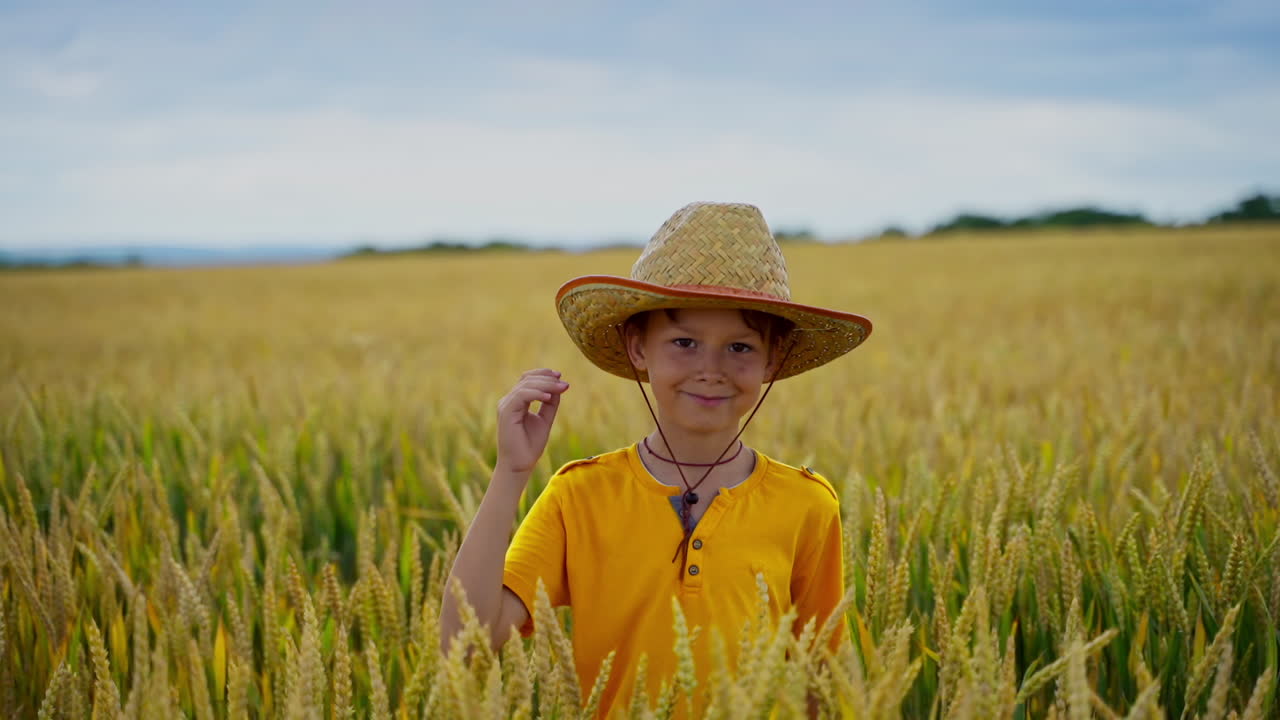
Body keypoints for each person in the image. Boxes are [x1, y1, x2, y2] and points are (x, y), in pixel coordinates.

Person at [439, 201, 873, 718]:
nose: (710, 370)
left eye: (740, 348)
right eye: (684, 343)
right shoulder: (580, 495)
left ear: (772, 359)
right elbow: (466, 644)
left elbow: (819, 684)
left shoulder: (807, 504)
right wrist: (511, 473)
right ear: (638, 348)